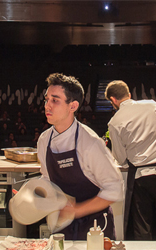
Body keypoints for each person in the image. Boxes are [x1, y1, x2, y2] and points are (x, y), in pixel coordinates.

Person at [37, 73, 124, 240]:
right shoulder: (44, 140)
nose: (47, 106)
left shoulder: (90, 142)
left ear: (73, 106)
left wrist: (76, 210)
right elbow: (47, 178)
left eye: (55, 100)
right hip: (62, 225)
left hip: (95, 227)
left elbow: (115, 189)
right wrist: (34, 192)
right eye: (46, 100)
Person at [105, 80, 156, 240]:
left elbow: (121, 159)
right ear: (129, 94)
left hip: (140, 179)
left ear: (113, 100)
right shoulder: (152, 105)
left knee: (142, 230)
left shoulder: (115, 122)